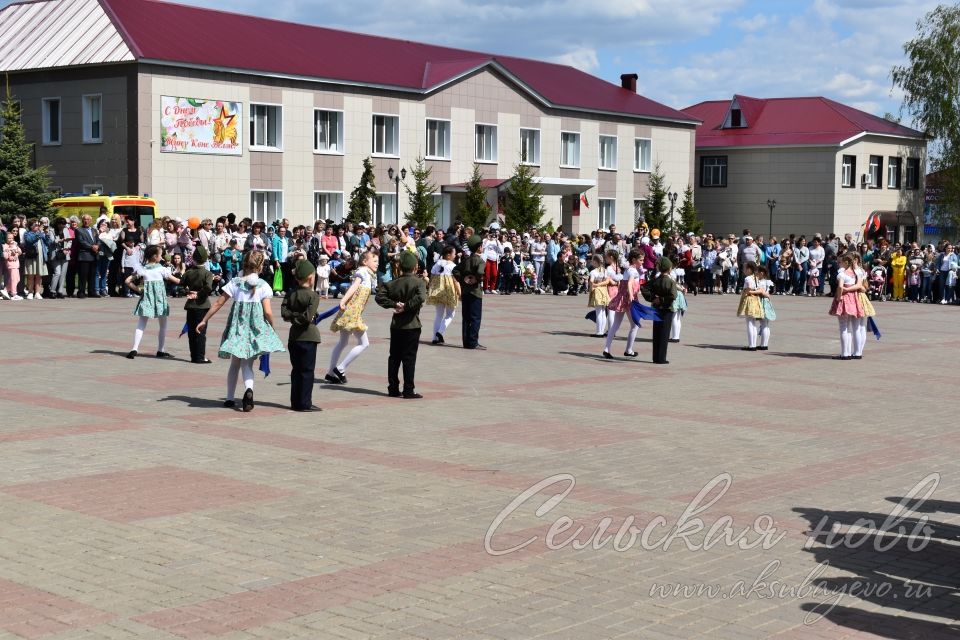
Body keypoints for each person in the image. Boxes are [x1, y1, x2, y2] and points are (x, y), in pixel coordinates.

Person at [197, 250, 285, 412]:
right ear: (260, 267)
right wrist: (271, 326)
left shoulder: (235, 282)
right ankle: (248, 389)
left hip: (237, 329)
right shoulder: (264, 285)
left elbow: (218, 303)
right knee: (247, 364)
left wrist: (204, 320)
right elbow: (268, 312)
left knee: (234, 364)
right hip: (254, 330)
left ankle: (230, 398)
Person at [376, 251, 428, 398]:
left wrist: (394, 304)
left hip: (396, 325)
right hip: (412, 325)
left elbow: (379, 297)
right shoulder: (419, 282)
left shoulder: (393, 283)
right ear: (415, 266)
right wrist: (406, 306)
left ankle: (392, 387)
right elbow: (421, 297)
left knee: (394, 357)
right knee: (409, 358)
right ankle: (408, 389)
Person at [324, 250, 379, 384]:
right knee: (364, 343)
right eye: (375, 261)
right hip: (352, 312)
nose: (377, 264)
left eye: (378, 261)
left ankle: (331, 372)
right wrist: (343, 301)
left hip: (351, 311)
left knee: (343, 342)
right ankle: (341, 368)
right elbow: (353, 287)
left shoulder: (368, 273)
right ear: (365, 262)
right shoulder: (363, 272)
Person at [124, 245, 182, 360]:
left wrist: (138, 290)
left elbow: (127, 281)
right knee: (163, 325)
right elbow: (176, 280)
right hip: (160, 300)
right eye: (160, 255)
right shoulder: (162, 269)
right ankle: (161, 350)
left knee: (141, 324)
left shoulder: (142, 269)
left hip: (147, 299)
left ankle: (134, 348)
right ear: (155, 256)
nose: (162, 257)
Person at [281, 259, 322, 412]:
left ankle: (295, 402)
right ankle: (305, 403)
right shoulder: (313, 296)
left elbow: (284, 313)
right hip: (309, 336)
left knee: (296, 370)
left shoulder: (291, 293)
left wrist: (293, 316)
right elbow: (307, 317)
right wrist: (302, 316)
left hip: (294, 337)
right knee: (307, 371)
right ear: (311, 278)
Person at [603, 250, 641, 359]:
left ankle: (607, 348)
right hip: (629, 299)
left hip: (621, 298)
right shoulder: (633, 271)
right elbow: (629, 283)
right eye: (641, 260)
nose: (642, 262)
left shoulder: (627, 269)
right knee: (635, 325)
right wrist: (631, 296)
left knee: (615, 324)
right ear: (634, 260)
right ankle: (629, 350)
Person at [181, 245, 215, 364]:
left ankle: (193, 356)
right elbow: (208, 287)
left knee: (191, 332)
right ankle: (200, 357)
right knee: (200, 332)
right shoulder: (207, 273)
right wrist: (199, 294)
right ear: (206, 259)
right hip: (202, 305)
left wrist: (188, 292)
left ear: (194, 259)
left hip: (190, 305)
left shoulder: (189, 272)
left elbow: (181, 286)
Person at [643, 257, 678, 365]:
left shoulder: (655, 279)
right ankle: (662, 358)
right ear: (669, 268)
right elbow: (673, 295)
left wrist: (653, 298)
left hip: (656, 308)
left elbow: (644, 288)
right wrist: (662, 300)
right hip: (667, 309)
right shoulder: (670, 281)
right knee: (664, 334)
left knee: (656, 332)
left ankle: (655, 357)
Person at [829, 254, 864, 361]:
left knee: (844, 327)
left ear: (845, 262)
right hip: (854, 299)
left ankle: (845, 353)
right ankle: (851, 352)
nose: (840, 263)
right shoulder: (856, 273)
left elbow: (840, 286)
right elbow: (859, 285)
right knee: (852, 327)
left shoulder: (842, 274)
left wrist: (839, 298)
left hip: (844, 299)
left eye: (841, 262)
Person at [454, 235, 486, 350]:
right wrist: (475, 279)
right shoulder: (480, 261)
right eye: (481, 246)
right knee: (475, 318)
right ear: (478, 248)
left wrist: (463, 279)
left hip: (465, 292)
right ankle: (473, 342)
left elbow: (455, 270)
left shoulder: (466, 259)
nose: (482, 248)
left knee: (466, 318)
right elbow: (480, 273)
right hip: (475, 292)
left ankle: (466, 342)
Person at [427, 245, 460, 345]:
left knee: (438, 315)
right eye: (454, 253)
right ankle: (439, 332)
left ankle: (434, 338)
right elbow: (456, 281)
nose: (455, 255)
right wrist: (460, 293)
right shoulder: (453, 266)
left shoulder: (437, 264)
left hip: (438, 292)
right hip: (449, 292)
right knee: (450, 314)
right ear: (449, 255)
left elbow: (432, 277)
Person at [737, 262, 767, 351]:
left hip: (749, 300)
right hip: (756, 300)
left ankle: (751, 345)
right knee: (753, 322)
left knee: (750, 323)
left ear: (749, 269)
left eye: (745, 268)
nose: (744, 270)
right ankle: (753, 344)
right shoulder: (756, 278)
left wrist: (745, 292)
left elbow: (749, 287)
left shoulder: (748, 278)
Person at [22, 219, 52, 300]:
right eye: (36, 225)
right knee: (31, 275)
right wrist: (39, 233)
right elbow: (29, 240)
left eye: (38, 225)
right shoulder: (27, 233)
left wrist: (47, 234)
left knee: (39, 275)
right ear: (30, 226)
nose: (38, 227)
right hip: (32, 257)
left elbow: (48, 243)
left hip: (41, 257)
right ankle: (30, 292)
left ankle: (38, 292)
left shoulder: (41, 233)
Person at [74, 215, 99, 298]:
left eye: (88, 219)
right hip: (84, 255)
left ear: (91, 221)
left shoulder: (94, 230)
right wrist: (92, 247)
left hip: (94, 255)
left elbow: (98, 240)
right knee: (83, 275)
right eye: (84, 219)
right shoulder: (79, 230)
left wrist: (97, 246)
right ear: (82, 221)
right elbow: (81, 242)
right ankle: (81, 292)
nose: (86, 221)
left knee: (92, 275)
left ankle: (91, 291)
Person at [587, 254, 611, 337]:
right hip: (604, 290)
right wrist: (601, 284)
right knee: (603, 312)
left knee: (598, 312)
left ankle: (598, 332)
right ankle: (602, 331)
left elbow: (591, 281)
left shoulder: (593, 272)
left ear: (595, 262)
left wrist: (593, 287)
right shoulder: (605, 270)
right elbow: (607, 281)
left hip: (597, 291)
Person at [2, 233, 22, 300]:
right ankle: (14, 294)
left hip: (16, 264)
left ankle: (5, 290)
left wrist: (15, 247)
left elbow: (20, 252)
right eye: (9, 238)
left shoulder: (14, 245)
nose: (11, 240)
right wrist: (10, 248)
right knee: (14, 279)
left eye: (12, 238)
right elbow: (5, 256)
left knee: (17, 279)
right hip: (11, 265)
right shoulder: (5, 246)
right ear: (6, 239)